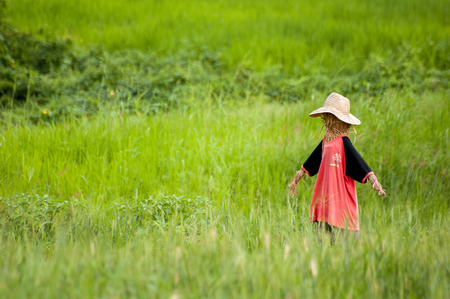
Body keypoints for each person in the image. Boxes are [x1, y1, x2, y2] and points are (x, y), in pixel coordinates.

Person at [288, 92, 386, 244]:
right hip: (325, 195)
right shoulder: (326, 141)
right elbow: (311, 161)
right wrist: (297, 178)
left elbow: (359, 162)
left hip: (341, 196)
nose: (327, 120)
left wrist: (374, 181)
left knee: (345, 238)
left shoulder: (344, 142)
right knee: (325, 237)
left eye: (330, 116)